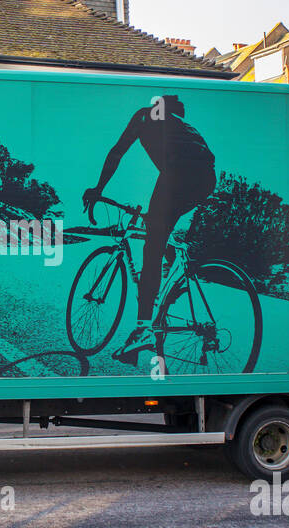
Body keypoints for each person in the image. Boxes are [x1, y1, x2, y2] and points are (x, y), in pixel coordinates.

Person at [83, 96, 217, 364]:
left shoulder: (144, 116)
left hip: (178, 175)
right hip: (206, 179)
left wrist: (98, 190)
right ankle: (172, 277)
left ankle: (143, 329)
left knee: (151, 245)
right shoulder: (185, 128)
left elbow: (116, 152)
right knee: (159, 228)